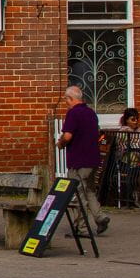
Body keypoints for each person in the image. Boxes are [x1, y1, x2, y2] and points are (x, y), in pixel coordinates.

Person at [59, 85, 109, 234]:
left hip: (78, 160)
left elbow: (68, 136)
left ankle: (81, 227)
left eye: (66, 100)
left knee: (78, 193)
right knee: (90, 190)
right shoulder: (91, 113)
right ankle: (100, 217)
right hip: (93, 158)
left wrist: (60, 143)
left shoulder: (73, 113)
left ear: (70, 98)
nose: (66, 103)